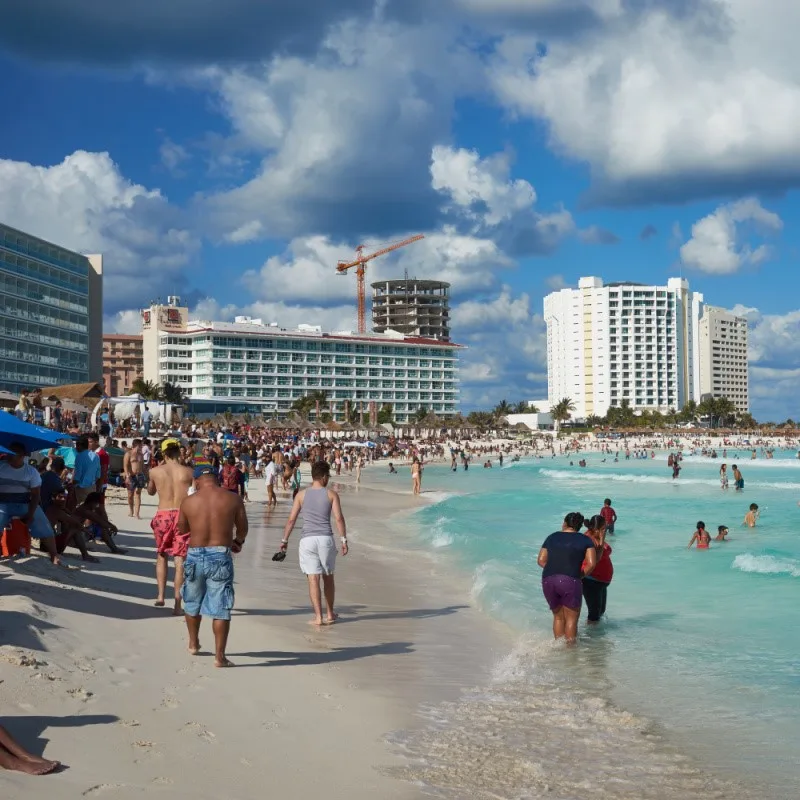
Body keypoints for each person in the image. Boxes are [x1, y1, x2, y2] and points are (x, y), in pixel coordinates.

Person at [178, 461, 248, 667]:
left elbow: (182, 529)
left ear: (197, 480)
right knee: (220, 608)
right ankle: (220, 657)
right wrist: (238, 542)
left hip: (194, 553)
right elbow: (243, 528)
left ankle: (193, 643)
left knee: (192, 602)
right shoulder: (233, 498)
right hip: (220, 554)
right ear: (216, 478)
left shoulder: (188, 501)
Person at [279, 461, 348, 626]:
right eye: (328, 477)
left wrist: (284, 540)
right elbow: (339, 518)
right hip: (325, 538)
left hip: (307, 540)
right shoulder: (331, 494)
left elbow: (291, 520)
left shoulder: (301, 495)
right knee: (328, 577)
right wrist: (343, 539)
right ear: (324, 477)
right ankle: (330, 613)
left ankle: (318, 617)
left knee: (313, 578)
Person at [147, 439, 194, 612]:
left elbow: (151, 491)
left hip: (163, 515)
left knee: (161, 555)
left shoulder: (155, 471)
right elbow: (193, 495)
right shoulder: (189, 472)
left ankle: (160, 596)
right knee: (180, 560)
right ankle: (177, 604)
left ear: (164, 453)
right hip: (182, 515)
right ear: (179, 452)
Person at [537, 512, 596, 643]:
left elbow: (541, 560)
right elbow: (592, 563)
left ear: (564, 523)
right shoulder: (585, 540)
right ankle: (570, 654)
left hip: (548, 579)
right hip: (570, 579)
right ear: (579, 526)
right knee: (571, 619)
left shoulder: (551, 537)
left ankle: (559, 649)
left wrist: (556, 569)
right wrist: (579, 575)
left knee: (558, 617)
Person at [0, 442, 60, 564]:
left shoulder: (31, 472)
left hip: (24, 505)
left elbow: (35, 495)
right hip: (3, 505)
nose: (10, 456)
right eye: (9, 453)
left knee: (44, 524)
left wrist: (31, 514)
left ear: (23, 455)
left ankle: (54, 555)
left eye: (14, 453)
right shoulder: (1, 467)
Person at [582, 515, 613, 624]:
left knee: (601, 611)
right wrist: (602, 539)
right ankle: (591, 639)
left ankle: (596, 637)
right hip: (591, 580)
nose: (606, 529)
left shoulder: (595, 536)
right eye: (604, 527)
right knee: (594, 614)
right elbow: (596, 559)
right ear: (596, 529)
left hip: (600, 581)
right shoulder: (588, 539)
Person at [73, 435, 101, 505]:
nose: (76, 448)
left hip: (81, 487)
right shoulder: (96, 456)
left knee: (81, 509)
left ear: (80, 446)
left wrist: (71, 485)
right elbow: (98, 474)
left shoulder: (79, 456)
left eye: (77, 445)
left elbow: (77, 476)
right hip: (92, 487)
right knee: (91, 508)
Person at [123, 439, 146, 518]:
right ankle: (131, 510)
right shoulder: (128, 454)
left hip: (139, 475)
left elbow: (143, 466)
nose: (141, 447)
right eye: (140, 446)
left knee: (138, 494)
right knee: (130, 495)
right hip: (131, 476)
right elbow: (125, 466)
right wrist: (127, 476)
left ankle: (137, 513)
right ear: (136, 445)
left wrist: (146, 476)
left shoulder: (141, 455)